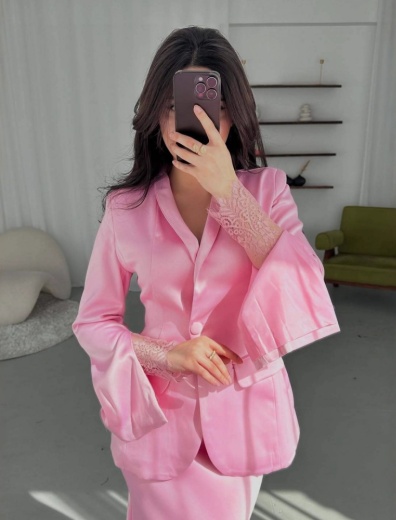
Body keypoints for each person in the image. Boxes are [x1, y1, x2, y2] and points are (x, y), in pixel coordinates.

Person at [72, 26, 340, 520]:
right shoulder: (126, 209)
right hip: (160, 422)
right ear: (156, 114)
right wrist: (167, 355)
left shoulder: (268, 191)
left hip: (241, 420)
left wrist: (228, 191)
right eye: (175, 107)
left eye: (209, 107)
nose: (192, 121)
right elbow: (92, 322)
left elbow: (303, 283)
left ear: (232, 114)